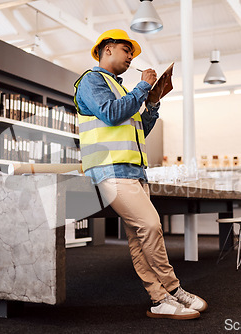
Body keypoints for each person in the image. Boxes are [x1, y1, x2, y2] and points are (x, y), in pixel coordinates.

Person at [73, 29, 208, 320]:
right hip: (110, 170)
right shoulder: (92, 80)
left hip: (133, 171)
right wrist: (143, 88)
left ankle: (159, 299)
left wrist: (153, 103)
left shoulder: (122, 89)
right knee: (151, 226)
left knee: (138, 237)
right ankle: (174, 289)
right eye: (126, 49)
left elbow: (137, 131)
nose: (131, 56)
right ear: (107, 49)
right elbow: (110, 113)